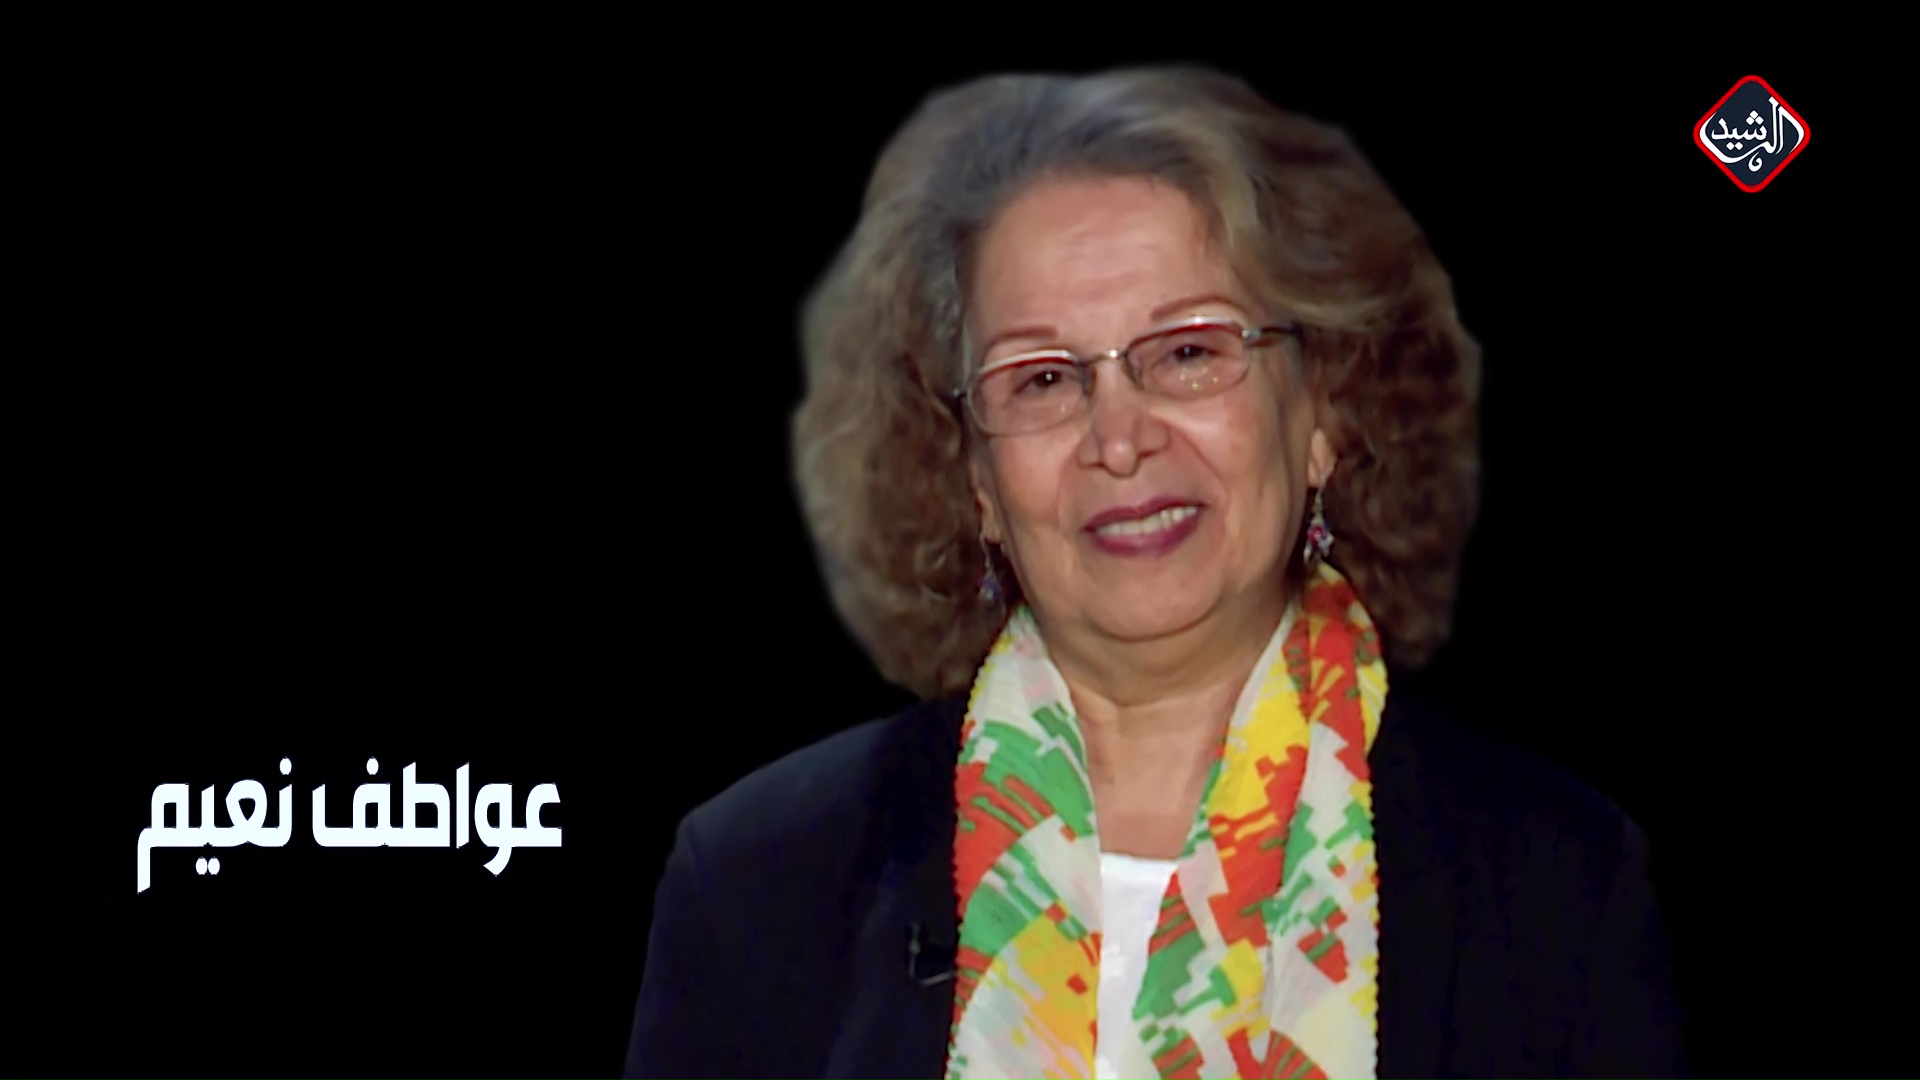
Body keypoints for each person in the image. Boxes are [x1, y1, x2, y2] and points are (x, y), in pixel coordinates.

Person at [625, 66, 1690, 1080]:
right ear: (978, 480)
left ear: (1320, 415)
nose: (1119, 438)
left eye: (1188, 352)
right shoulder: (757, 882)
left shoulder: (1557, 882)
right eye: (1043, 379)